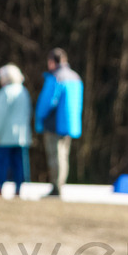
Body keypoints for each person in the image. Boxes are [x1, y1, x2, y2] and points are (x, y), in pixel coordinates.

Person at [34, 48, 83, 198]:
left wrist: (39, 118)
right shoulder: (76, 77)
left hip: (54, 123)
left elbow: (47, 102)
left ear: (52, 62)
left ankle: (56, 187)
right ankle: (60, 185)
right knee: (63, 156)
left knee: (55, 156)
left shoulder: (56, 77)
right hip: (69, 124)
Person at [0, 64, 32, 198]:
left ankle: (0, 187)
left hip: (4, 136)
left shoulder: (5, 92)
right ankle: (18, 188)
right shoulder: (24, 91)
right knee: (19, 163)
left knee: (2, 162)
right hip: (21, 136)